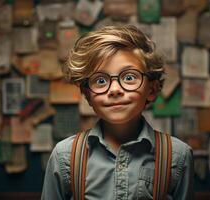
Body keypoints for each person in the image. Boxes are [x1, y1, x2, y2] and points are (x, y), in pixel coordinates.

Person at [41, 25, 194, 200]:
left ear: (151, 89)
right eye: (100, 80)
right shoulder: (64, 157)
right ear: (88, 95)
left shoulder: (178, 156)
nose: (114, 89)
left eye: (129, 77)